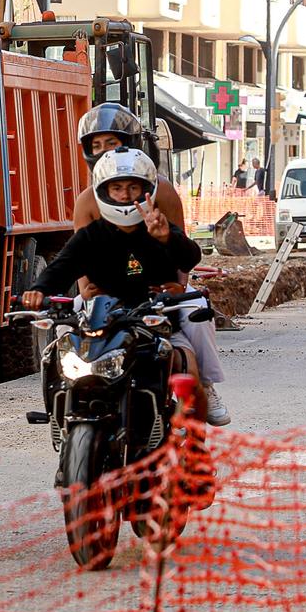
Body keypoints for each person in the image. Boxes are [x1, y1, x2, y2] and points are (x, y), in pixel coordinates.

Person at [69, 104, 227, 424]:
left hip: (158, 287)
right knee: (64, 324)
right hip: (105, 290)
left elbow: (180, 245)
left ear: (130, 145)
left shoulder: (163, 191)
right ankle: (66, 393)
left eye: (111, 143)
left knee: (196, 315)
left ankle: (206, 386)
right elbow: (80, 258)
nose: (103, 152)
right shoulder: (86, 201)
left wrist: (179, 285)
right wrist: (86, 289)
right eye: (95, 145)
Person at [23, 149, 207, 416]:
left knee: (189, 372)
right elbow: (62, 266)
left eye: (133, 187)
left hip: (154, 321)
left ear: (147, 190)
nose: (124, 195)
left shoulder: (157, 226)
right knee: (57, 357)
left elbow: (190, 258)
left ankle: (196, 447)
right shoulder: (91, 235)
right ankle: (62, 417)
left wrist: (168, 238)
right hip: (100, 323)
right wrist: (38, 290)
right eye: (117, 187)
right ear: (104, 191)